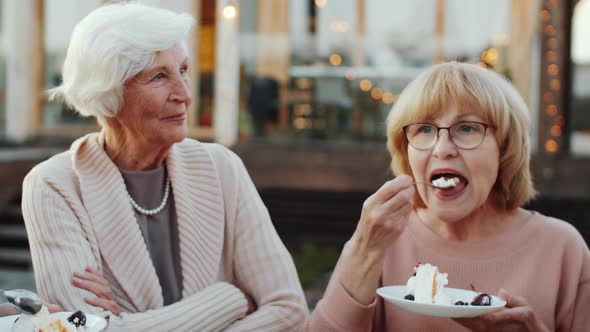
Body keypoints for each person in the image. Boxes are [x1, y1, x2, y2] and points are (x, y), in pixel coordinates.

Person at [21, 3, 307, 331]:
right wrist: (230, 299)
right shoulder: (53, 186)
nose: (185, 94)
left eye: (183, 69)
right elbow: (86, 330)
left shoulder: (222, 167)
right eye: (159, 76)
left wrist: (128, 323)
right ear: (108, 92)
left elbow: (290, 311)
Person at [304, 62, 590, 331]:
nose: (442, 149)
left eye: (466, 128)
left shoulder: (562, 249)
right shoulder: (381, 240)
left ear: (505, 148)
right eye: (424, 129)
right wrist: (363, 253)